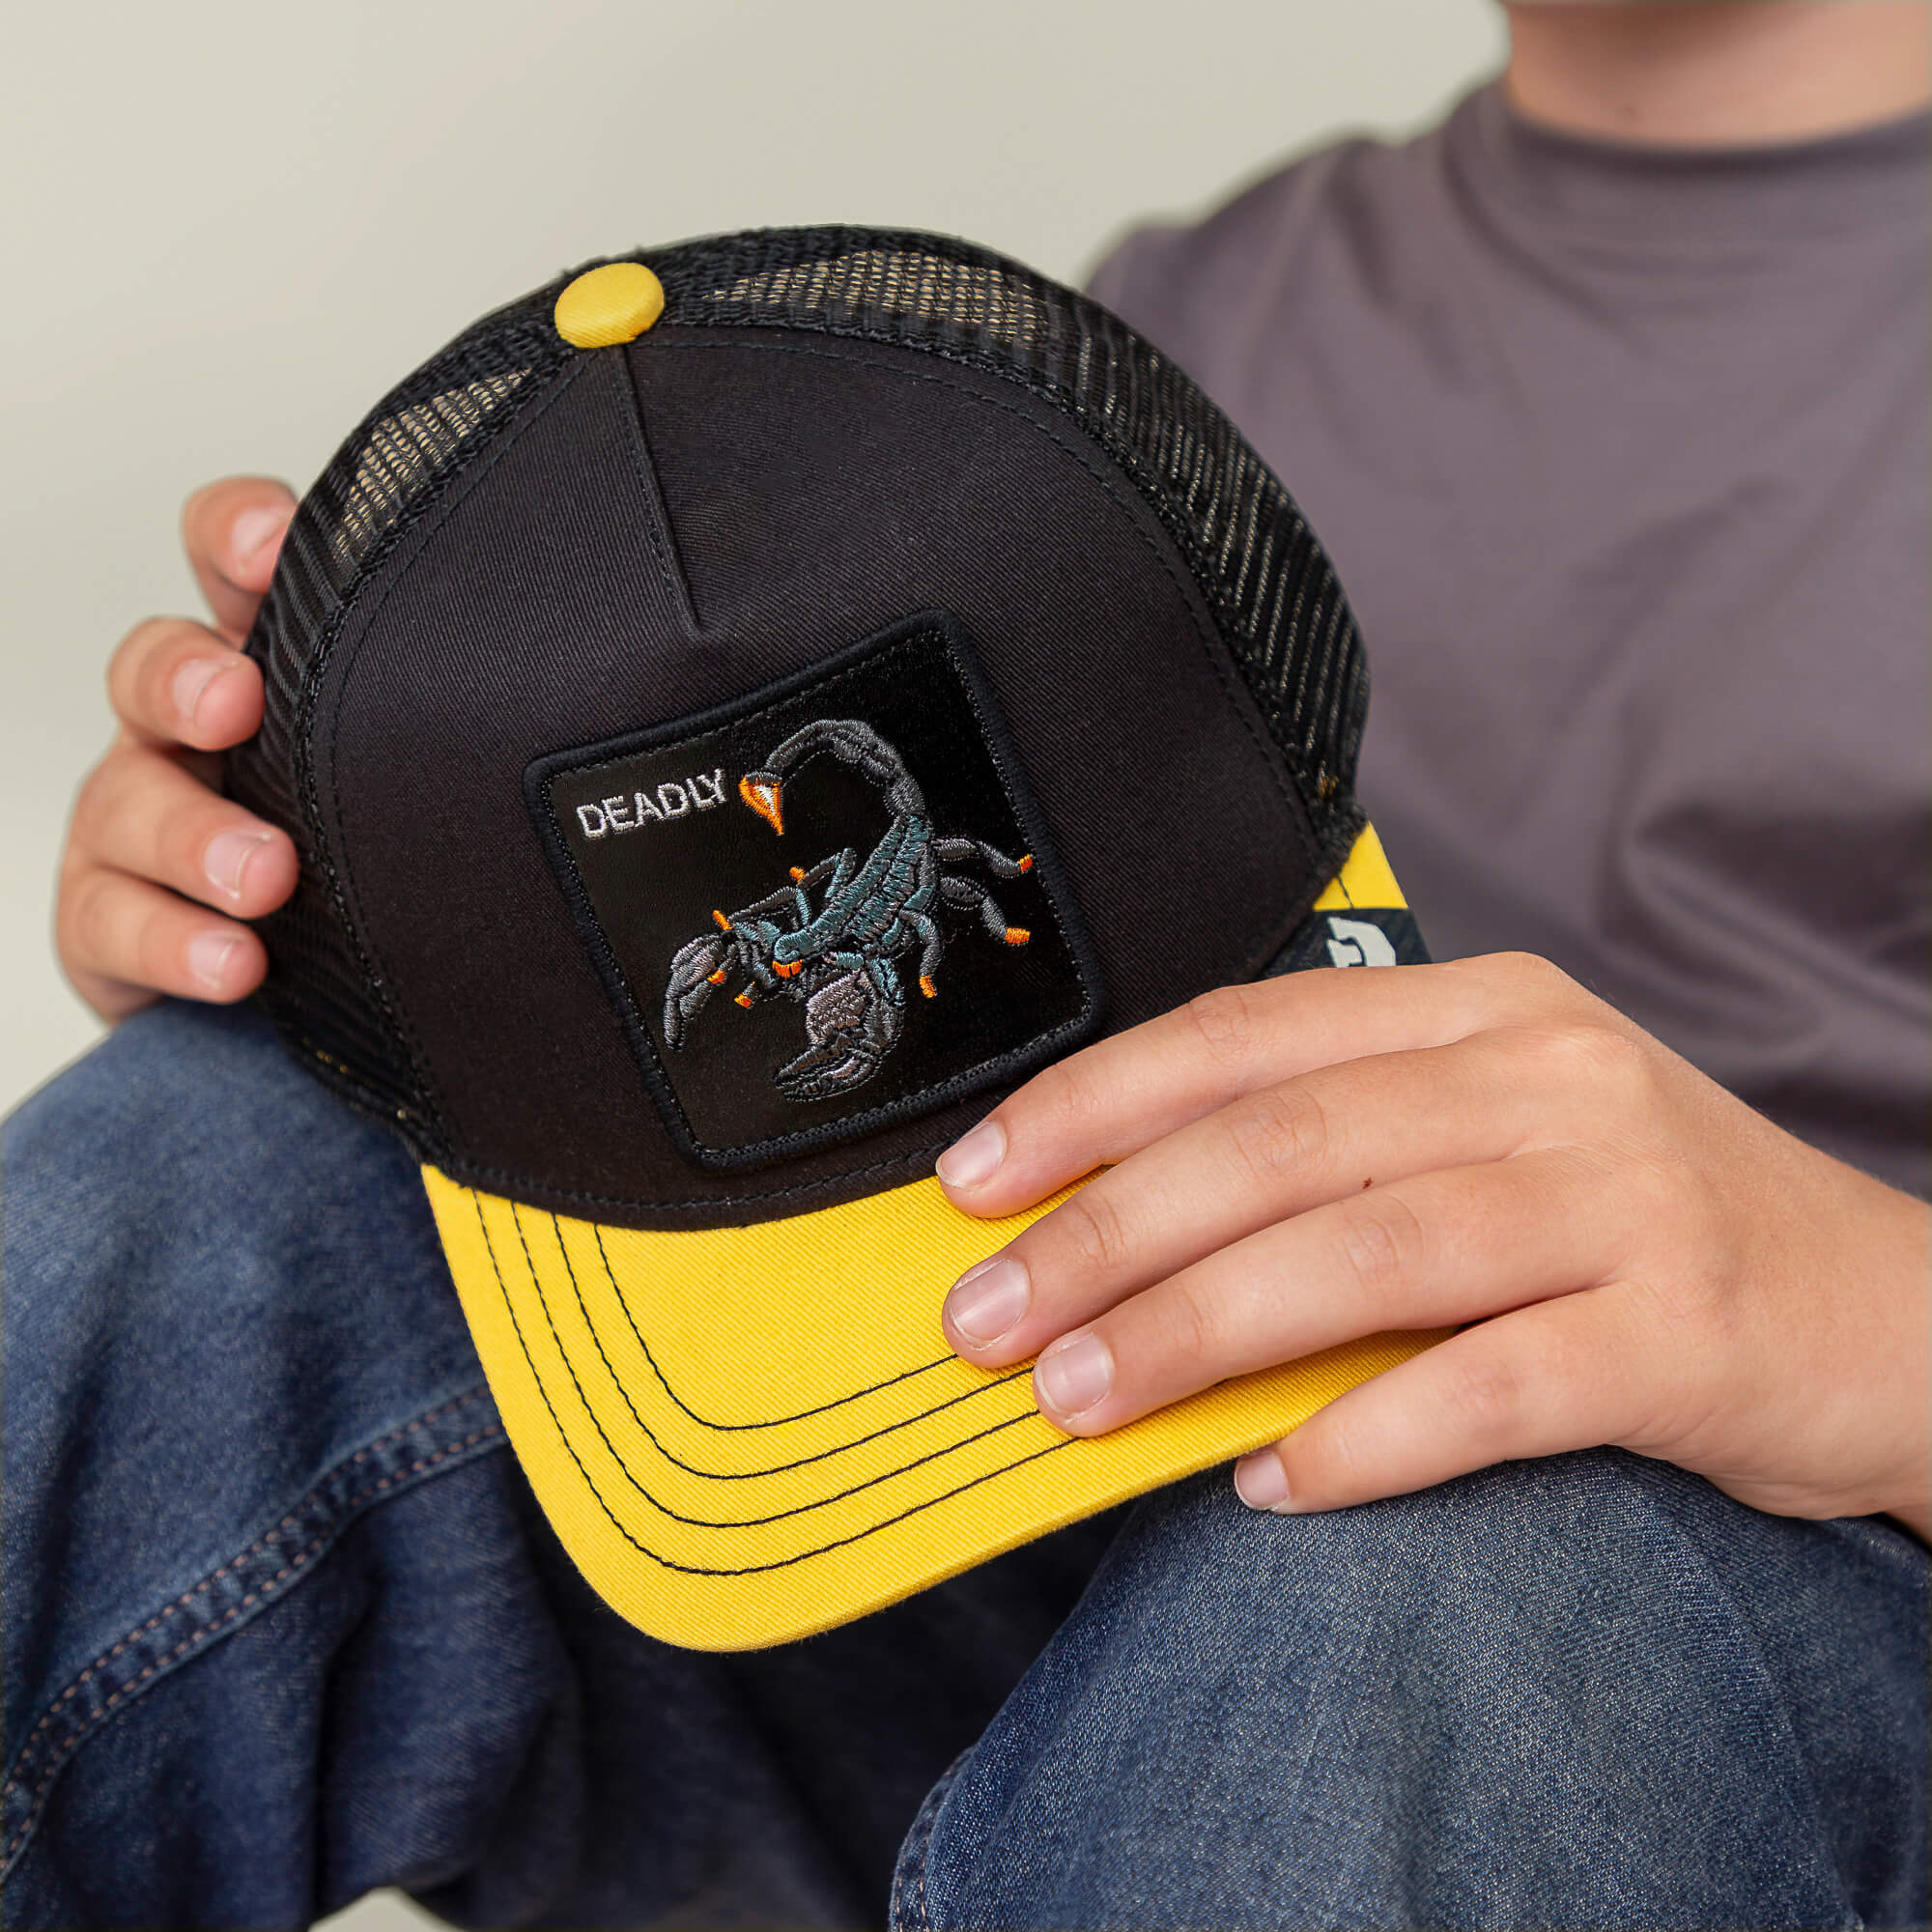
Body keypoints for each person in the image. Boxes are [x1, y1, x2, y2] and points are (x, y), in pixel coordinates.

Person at [12, 2, 1926, 1924]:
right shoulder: (1159, 337)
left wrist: (1869, 1316)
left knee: (1405, 1550)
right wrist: (337, 951)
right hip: (1047, 1501)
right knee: (212, 1170)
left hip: (1727, 1621)